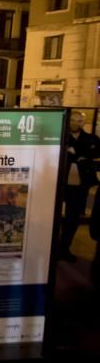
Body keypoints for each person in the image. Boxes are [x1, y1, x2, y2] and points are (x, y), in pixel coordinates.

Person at [59, 111, 100, 261]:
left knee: (72, 219)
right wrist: (80, 156)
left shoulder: (91, 139)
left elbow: (95, 152)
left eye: (79, 121)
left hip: (79, 187)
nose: (75, 123)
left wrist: (76, 154)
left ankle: (64, 248)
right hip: (60, 184)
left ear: (84, 123)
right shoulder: (60, 137)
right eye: (73, 120)